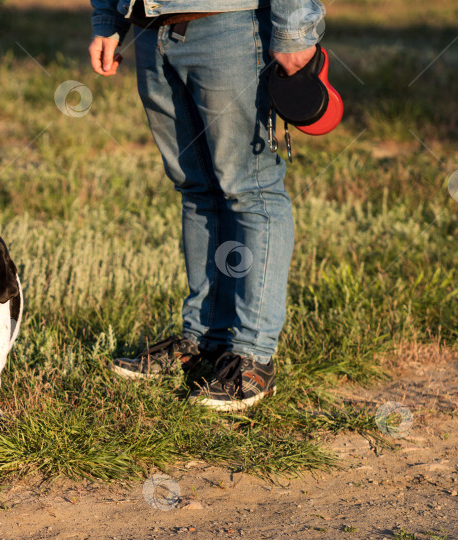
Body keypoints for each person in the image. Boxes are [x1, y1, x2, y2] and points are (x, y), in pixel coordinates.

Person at [89, 0, 325, 411]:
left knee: (252, 190)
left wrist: (293, 30)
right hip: (151, 27)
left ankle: (253, 356)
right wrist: (109, 18)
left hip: (230, 24)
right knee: (196, 188)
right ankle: (206, 340)